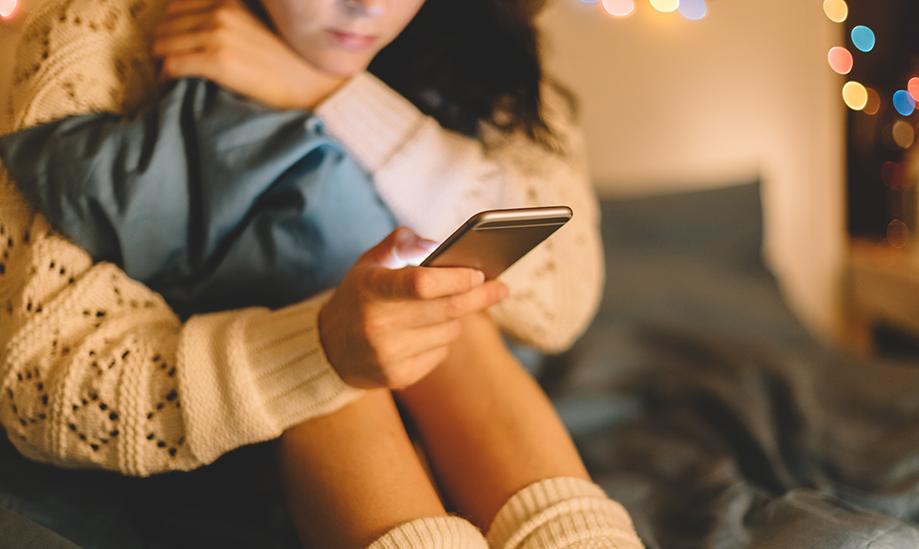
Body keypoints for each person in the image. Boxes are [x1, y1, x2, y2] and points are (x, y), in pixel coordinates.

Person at [0, 0, 643, 547]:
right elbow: (42, 383)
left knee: (439, 299)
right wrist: (319, 348)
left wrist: (331, 93)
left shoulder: (481, 31)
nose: (367, 8)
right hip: (238, 413)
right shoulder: (100, 29)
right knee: (348, 322)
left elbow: (560, 299)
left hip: (463, 381)